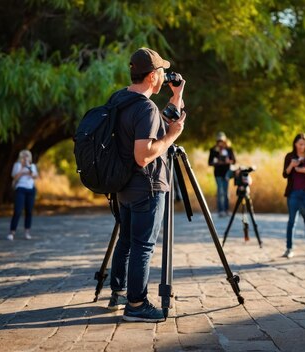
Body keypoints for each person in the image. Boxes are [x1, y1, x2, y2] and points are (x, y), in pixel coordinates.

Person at [107, 47, 186, 322]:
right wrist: (172, 137)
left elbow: (153, 127)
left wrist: (177, 97)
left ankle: (118, 292)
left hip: (124, 186)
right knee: (143, 245)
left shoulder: (119, 99)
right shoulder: (145, 108)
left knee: (127, 240)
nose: (165, 75)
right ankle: (137, 305)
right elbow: (144, 155)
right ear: (152, 76)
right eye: (162, 72)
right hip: (147, 186)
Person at [8, 149, 39, 241]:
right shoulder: (17, 165)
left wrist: (29, 169)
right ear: (21, 157)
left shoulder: (32, 166)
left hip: (31, 190)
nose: (26, 158)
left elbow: (35, 176)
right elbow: (14, 176)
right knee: (17, 210)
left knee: (29, 211)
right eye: (24, 156)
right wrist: (22, 169)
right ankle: (12, 232)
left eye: (27, 156)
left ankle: (27, 232)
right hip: (20, 188)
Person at [208, 132, 236, 217]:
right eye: (219, 140)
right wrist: (217, 162)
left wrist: (228, 161)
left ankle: (226, 210)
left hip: (226, 173)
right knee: (220, 191)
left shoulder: (229, 149)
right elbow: (210, 162)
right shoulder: (213, 150)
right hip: (218, 173)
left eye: (222, 140)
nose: (220, 142)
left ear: (225, 140)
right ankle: (221, 210)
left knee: (226, 192)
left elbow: (234, 161)